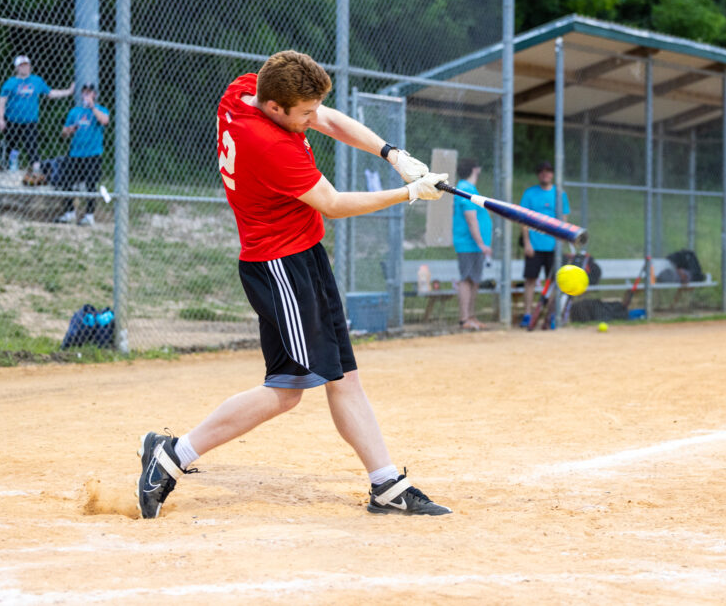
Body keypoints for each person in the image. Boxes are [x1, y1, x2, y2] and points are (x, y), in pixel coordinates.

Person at [137, 50, 451, 519]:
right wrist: (409, 193)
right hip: (280, 267)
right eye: (302, 113)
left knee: (343, 376)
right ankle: (172, 455)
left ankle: (386, 483)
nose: (311, 120)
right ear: (274, 108)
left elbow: (327, 118)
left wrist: (393, 154)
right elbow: (333, 203)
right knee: (287, 389)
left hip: (302, 257)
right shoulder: (269, 145)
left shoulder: (246, 91)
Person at [0, 55, 74, 172]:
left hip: (30, 121)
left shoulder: (36, 81)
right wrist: (0, 118)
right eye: (21, 66)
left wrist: (68, 92)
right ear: (16, 68)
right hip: (12, 120)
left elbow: (50, 93)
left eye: (26, 65)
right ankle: (11, 168)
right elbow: (2, 101)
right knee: (12, 146)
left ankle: (36, 170)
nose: (24, 68)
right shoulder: (11, 82)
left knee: (32, 147)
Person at [519, 160, 570, 326]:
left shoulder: (559, 195)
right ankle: (528, 315)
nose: (545, 174)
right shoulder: (530, 194)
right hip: (534, 246)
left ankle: (551, 316)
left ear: (552, 174)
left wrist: (561, 242)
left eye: (548, 171)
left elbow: (563, 220)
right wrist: (527, 243)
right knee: (530, 280)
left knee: (554, 282)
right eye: (541, 171)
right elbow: (523, 219)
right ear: (538, 174)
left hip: (553, 246)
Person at [56, 83, 109, 226]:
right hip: (75, 154)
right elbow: (63, 133)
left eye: (89, 92)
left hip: (92, 154)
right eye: (84, 92)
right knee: (66, 182)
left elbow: (104, 120)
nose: (86, 95)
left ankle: (89, 216)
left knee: (91, 185)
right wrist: (69, 130)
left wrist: (92, 107)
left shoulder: (100, 109)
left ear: (94, 95)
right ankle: (70, 213)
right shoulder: (75, 112)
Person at [451, 157, 493, 331]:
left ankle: (471, 317)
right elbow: (471, 219)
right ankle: (464, 319)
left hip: (474, 245)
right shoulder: (465, 189)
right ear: (475, 169)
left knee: (474, 280)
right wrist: (481, 243)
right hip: (469, 244)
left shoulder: (469, 188)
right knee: (467, 279)